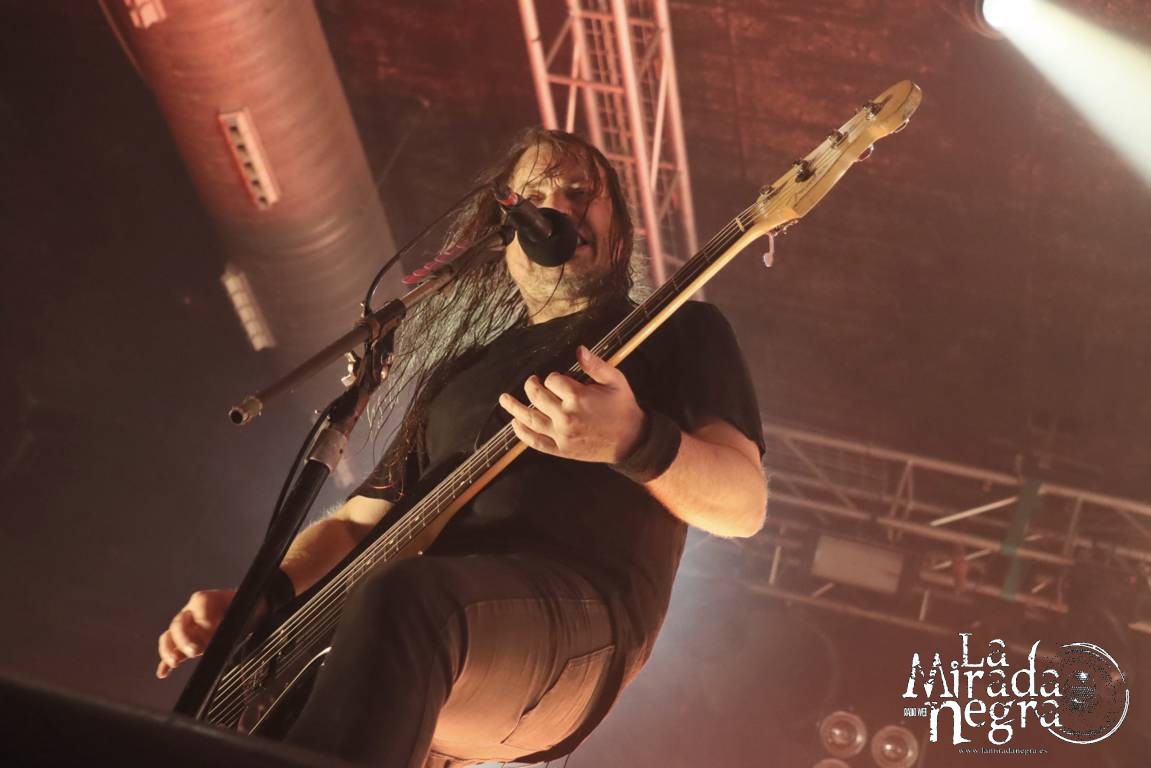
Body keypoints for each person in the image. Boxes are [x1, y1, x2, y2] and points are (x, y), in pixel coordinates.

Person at [157, 128, 768, 767]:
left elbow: (743, 503)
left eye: (579, 192)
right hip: (425, 629)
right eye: (534, 197)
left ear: (620, 231)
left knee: (406, 597)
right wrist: (259, 598)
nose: (556, 208)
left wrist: (633, 439)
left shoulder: (677, 329)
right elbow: (356, 525)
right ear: (506, 236)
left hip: (578, 629)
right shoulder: (457, 377)